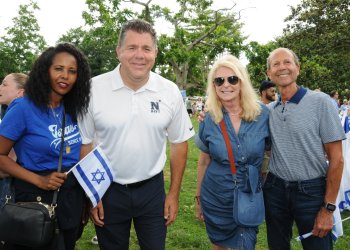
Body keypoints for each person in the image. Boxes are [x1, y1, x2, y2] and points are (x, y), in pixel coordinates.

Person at [78, 19, 194, 250]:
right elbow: (85, 144)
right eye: (132, 47)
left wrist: (173, 195)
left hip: (152, 190)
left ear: (155, 53)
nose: (139, 55)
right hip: (108, 189)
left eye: (146, 48)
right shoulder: (92, 89)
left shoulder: (169, 90)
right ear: (119, 51)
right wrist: (94, 194)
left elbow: (179, 143)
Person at [0, 43, 91, 250]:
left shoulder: (74, 108)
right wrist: (39, 180)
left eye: (72, 71)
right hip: (34, 199)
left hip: (71, 198)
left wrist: (85, 198)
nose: (65, 76)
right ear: (45, 71)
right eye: (58, 69)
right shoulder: (24, 107)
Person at [263, 48, 345, 250]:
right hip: (275, 190)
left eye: (287, 62)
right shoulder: (268, 111)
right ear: (269, 73)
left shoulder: (321, 102)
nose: (282, 67)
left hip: (311, 192)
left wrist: (328, 208)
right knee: (277, 246)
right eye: (276, 64)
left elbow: (337, 159)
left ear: (298, 68)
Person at [194, 54, 269, 250]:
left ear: (241, 81)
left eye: (232, 79)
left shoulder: (263, 115)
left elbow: (271, 151)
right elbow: (203, 161)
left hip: (248, 193)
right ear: (214, 86)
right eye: (219, 80)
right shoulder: (209, 118)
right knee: (218, 245)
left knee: (246, 244)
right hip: (216, 195)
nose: (225, 85)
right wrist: (198, 198)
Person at [0, 73, 28, 207]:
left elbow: (7, 165)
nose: (0, 87)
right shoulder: (7, 111)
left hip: (9, 188)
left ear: (20, 93)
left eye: (4, 84)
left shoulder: (19, 115)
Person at [258, 80, 276, 180]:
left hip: (272, 153)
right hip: (263, 151)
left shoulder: (273, 107)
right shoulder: (257, 109)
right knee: (264, 178)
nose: (274, 94)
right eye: (272, 91)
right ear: (264, 92)